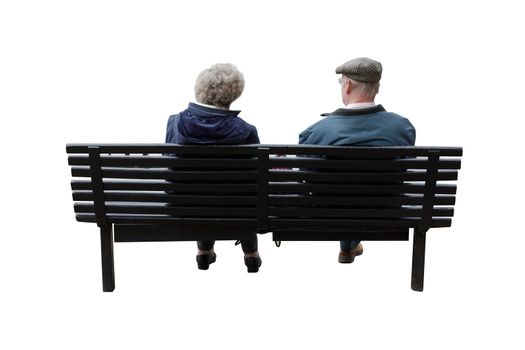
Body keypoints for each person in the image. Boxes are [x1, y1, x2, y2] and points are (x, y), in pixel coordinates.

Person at [299, 57, 416, 264]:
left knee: (342, 193)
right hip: (387, 213)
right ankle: (349, 245)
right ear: (376, 88)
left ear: (348, 85)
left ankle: (348, 244)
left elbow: (305, 178)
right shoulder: (402, 128)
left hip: (327, 214)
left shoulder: (316, 132)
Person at [165, 63, 262, 272]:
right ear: (235, 92)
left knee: (201, 189)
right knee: (238, 194)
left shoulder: (174, 122)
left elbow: (170, 165)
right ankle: (251, 254)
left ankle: (204, 252)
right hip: (235, 207)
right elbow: (252, 178)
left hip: (184, 205)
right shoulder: (246, 130)